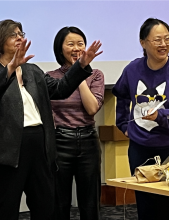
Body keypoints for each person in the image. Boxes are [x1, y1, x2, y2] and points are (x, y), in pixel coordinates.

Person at [0, 19, 102, 220]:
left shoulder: (33, 71)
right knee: (7, 208)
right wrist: (9, 69)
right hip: (10, 149)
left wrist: (81, 65)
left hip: (40, 146)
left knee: (45, 208)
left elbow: (61, 89)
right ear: (0, 39)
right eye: (13, 34)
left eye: (21, 34)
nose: (19, 37)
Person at [112, 18, 169, 220]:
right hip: (141, 146)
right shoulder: (132, 70)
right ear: (143, 43)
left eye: (167, 39)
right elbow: (120, 95)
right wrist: (123, 125)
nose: (164, 44)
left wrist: (161, 116)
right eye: (157, 40)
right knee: (146, 204)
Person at [47, 26, 104, 220]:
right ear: (60, 48)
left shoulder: (95, 75)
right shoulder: (50, 77)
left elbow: (91, 109)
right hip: (60, 141)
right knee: (59, 202)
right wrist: (74, 71)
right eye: (70, 44)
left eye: (80, 44)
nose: (76, 48)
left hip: (88, 141)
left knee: (90, 203)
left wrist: (79, 74)